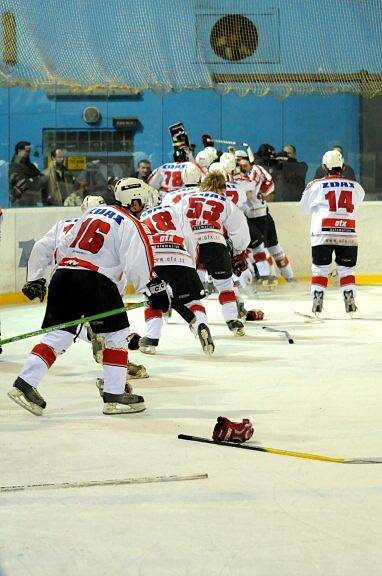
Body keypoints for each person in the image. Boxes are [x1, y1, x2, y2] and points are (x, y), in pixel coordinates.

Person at [8, 182, 170, 416]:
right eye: (141, 201)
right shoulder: (130, 222)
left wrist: (48, 278)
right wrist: (153, 288)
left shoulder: (89, 214)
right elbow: (137, 260)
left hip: (63, 274)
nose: (143, 206)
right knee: (117, 335)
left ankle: (24, 384)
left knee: (60, 334)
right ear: (134, 201)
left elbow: (61, 247)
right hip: (95, 279)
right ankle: (114, 395)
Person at [23, 194, 149, 381]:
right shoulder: (117, 221)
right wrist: (145, 288)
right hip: (97, 283)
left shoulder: (67, 225)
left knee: (61, 334)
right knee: (114, 332)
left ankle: (24, 382)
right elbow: (128, 263)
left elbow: (42, 248)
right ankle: (114, 382)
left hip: (62, 281)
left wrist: (34, 278)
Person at [118, 176, 214, 356]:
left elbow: (136, 249)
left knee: (153, 299)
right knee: (193, 300)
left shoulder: (138, 219)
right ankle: (201, 324)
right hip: (180, 257)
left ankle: (152, 338)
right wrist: (190, 264)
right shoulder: (175, 210)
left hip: (156, 260)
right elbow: (190, 238)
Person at [164, 171, 250, 336]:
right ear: (221, 187)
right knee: (225, 286)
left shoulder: (185, 200)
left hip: (190, 244)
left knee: (180, 282)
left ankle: (168, 305)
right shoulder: (225, 201)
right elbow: (239, 228)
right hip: (215, 243)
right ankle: (232, 320)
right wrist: (239, 251)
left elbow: (173, 221)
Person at [300, 149, 365, 315]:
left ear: (323, 166)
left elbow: (304, 207)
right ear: (343, 167)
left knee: (320, 270)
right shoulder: (356, 186)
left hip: (322, 233)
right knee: (347, 269)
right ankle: (349, 300)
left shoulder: (314, 185)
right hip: (348, 232)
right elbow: (357, 205)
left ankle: (317, 300)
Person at [9, 141, 44, 207]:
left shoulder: (28, 164)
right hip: (20, 202)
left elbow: (41, 176)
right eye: (27, 151)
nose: (29, 153)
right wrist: (33, 181)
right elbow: (25, 183)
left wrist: (33, 179)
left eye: (29, 151)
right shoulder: (15, 165)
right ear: (19, 151)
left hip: (30, 200)